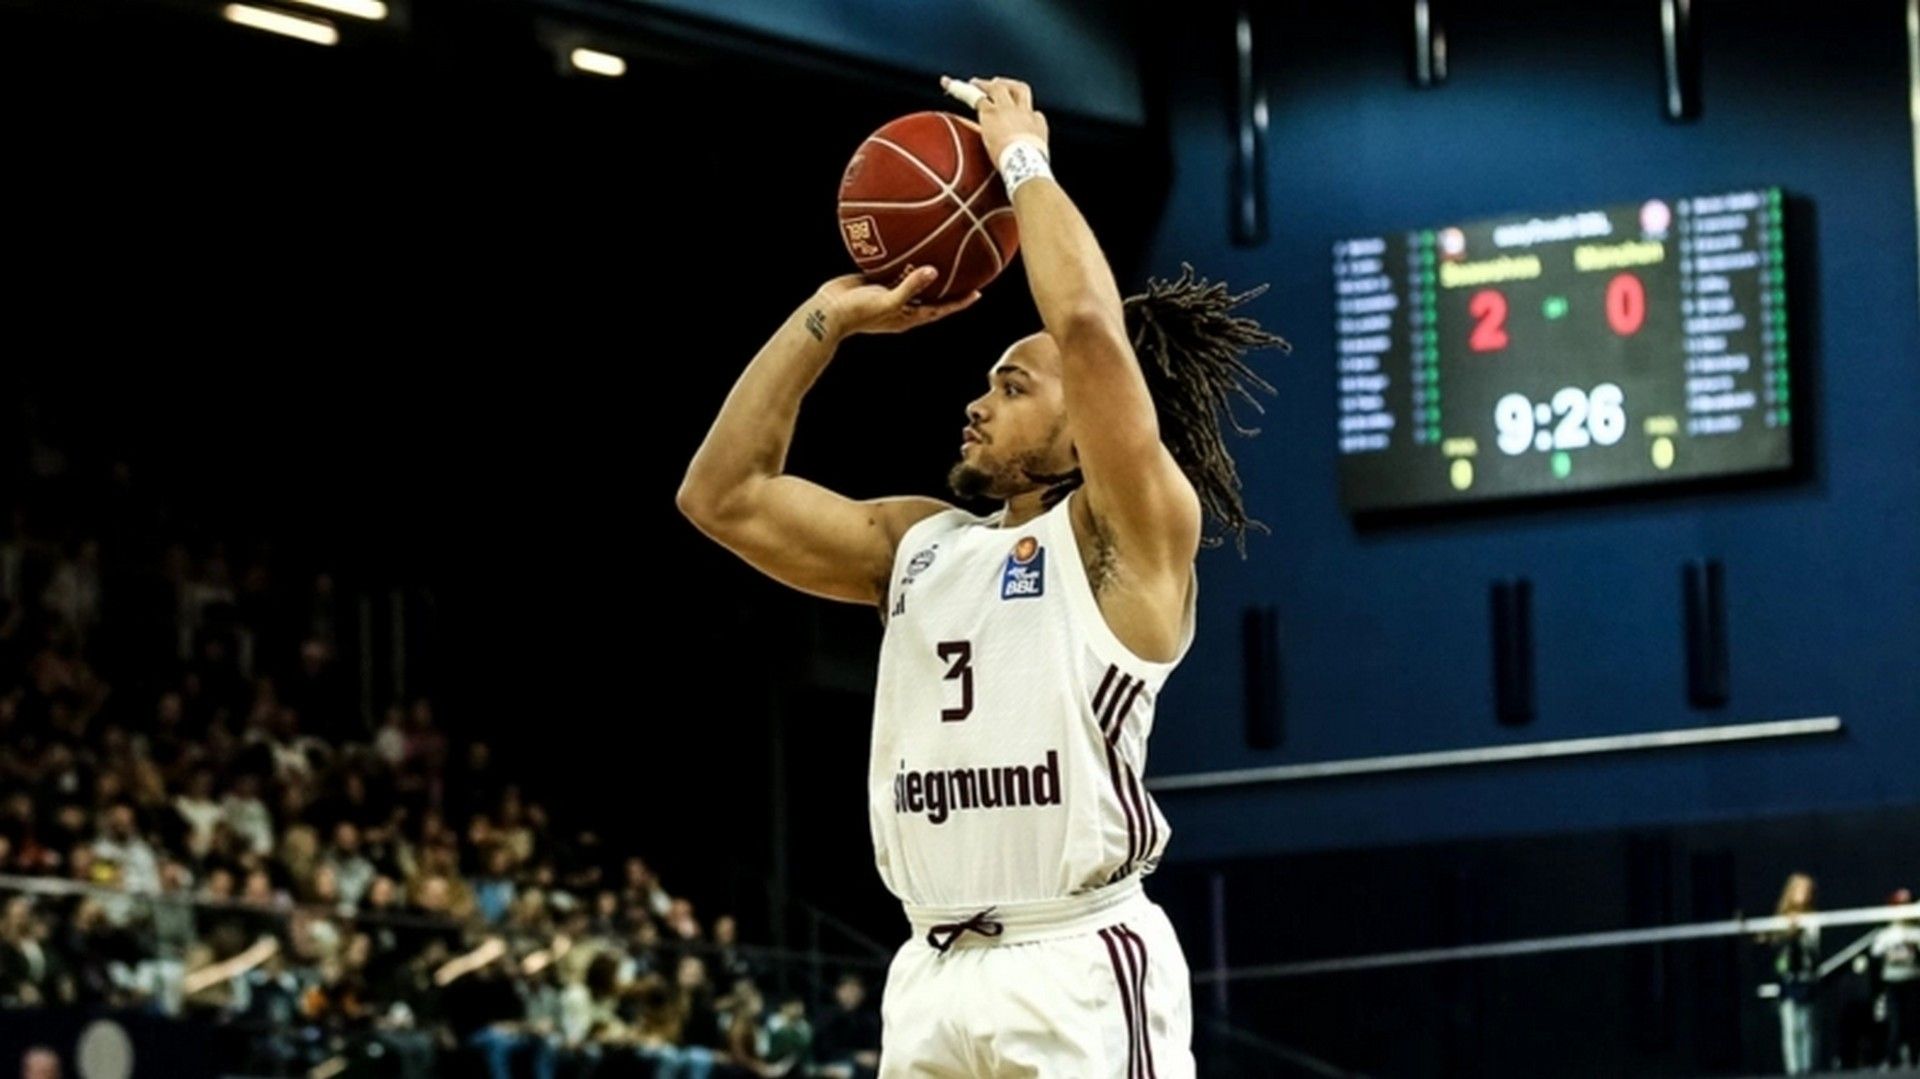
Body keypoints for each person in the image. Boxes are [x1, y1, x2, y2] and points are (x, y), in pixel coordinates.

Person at [679, 75, 1284, 1077]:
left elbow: (1088, 330)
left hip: (1074, 962)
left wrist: (1020, 159)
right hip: (932, 967)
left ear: (1086, 426)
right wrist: (826, 319)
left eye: (1011, 385)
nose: (976, 402)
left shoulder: (1129, 538)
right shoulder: (920, 547)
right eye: (984, 382)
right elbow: (722, 495)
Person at [1761, 872, 1821, 1075]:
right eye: (1801, 890)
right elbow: (1771, 942)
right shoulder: (1780, 919)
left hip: (1806, 977)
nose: (1805, 894)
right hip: (1787, 979)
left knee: (1807, 1024)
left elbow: (1814, 947)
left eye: (1808, 890)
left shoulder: (1812, 919)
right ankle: (1793, 1069)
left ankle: (1807, 1068)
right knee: (1790, 1026)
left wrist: (1799, 931)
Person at [1871, 887, 1920, 1068]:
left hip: (1913, 980)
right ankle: (1892, 1058)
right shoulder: (1886, 934)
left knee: (1914, 1020)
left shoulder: (1917, 932)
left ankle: (1914, 1057)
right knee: (1895, 1021)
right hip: (1893, 982)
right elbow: (1875, 954)